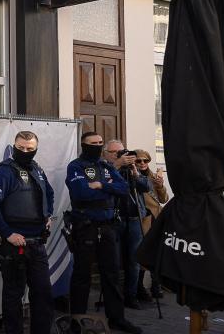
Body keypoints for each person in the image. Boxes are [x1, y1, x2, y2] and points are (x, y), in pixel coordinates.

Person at [66, 132, 142, 334]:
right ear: (84, 145)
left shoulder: (106, 166)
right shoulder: (76, 166)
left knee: (112, 275)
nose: (98, 146)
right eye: (94, 143)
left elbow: (124, 188)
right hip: (86, 226)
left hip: (108, 227)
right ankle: (77, 321)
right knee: (82, 276)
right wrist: (110, 189)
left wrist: (101, 185)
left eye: (100, 143)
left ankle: (117, 319)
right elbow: (82, 193)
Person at [0, 131, 54, 334]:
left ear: (36, 149)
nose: (25, 151)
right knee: (13, 297)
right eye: (21, 148)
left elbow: (49, 193)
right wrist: (7, 233)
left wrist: (47, 215)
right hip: (14, 246)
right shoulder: (4, 171)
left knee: (43, 294)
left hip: (37, 244)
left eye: (30, 149)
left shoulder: (37, 170)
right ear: (14, 147)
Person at [103, 139, 151, 310]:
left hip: (134, 220)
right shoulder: (104, 167)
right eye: (115, 153)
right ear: (106, 154)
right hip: (114, 221)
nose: (120, 155)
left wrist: (134, 170)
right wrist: (116, 165)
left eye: (122, 152)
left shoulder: (132, 168)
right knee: (113, 262)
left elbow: (145, 186)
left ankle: (130, 296)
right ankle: (113, 298)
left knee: (133, 261)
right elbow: (103, 184)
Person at [135, 149, 168, 301]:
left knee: (157, 252)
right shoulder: (133, 177)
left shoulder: (154, 177)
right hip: (143, 220)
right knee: (143, 252)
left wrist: (160, 185)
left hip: (157, 219)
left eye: (145, 161)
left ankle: (156, 284)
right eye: (138, 161)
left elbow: (164, 199)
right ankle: (139, 286)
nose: (142, 163)